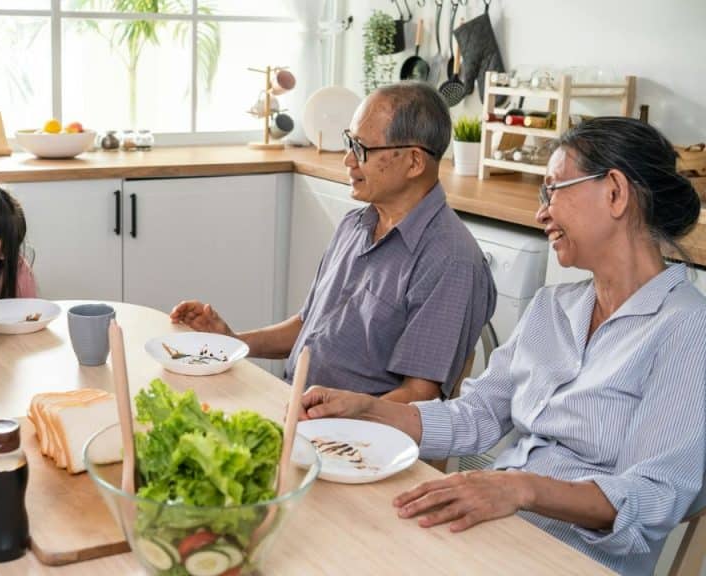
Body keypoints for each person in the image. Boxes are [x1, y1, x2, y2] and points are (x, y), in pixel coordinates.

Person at [299, 117, 706, 576]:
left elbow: (653, 497)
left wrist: (521, 489)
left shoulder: (688, 328)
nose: (542, 213)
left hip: (573, 560)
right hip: (497, 530)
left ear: (614, 191)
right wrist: (367, 409)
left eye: (553, 190)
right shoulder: (553, 308)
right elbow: (477, 414)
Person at [172, 82, 495, 403]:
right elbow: (307, 327)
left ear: (414, 162)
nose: (348, 161)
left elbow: (418, 399)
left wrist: (337, 413)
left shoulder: (450, 261)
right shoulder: (355, 225)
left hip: (356, 439)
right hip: (295, 405)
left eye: (362, 150)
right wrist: (231, 342)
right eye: (349, 143)